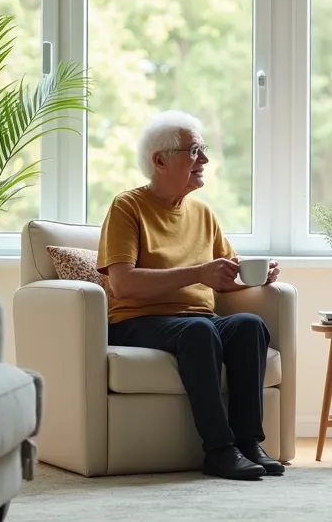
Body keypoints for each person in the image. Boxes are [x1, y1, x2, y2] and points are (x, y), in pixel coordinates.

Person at [96, 110, 284, 481]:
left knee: (249, 325)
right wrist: (198, 273)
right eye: (195, 150)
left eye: (204, 150)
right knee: (200, 331)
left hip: (199, 320)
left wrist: (255, 277)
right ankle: (218, 449)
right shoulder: (127, 206)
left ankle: (248, 443)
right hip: (137, 321)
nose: (205, 160)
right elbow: (122, 284)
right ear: (160, 159)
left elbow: (223, 277)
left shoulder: (203, 213)